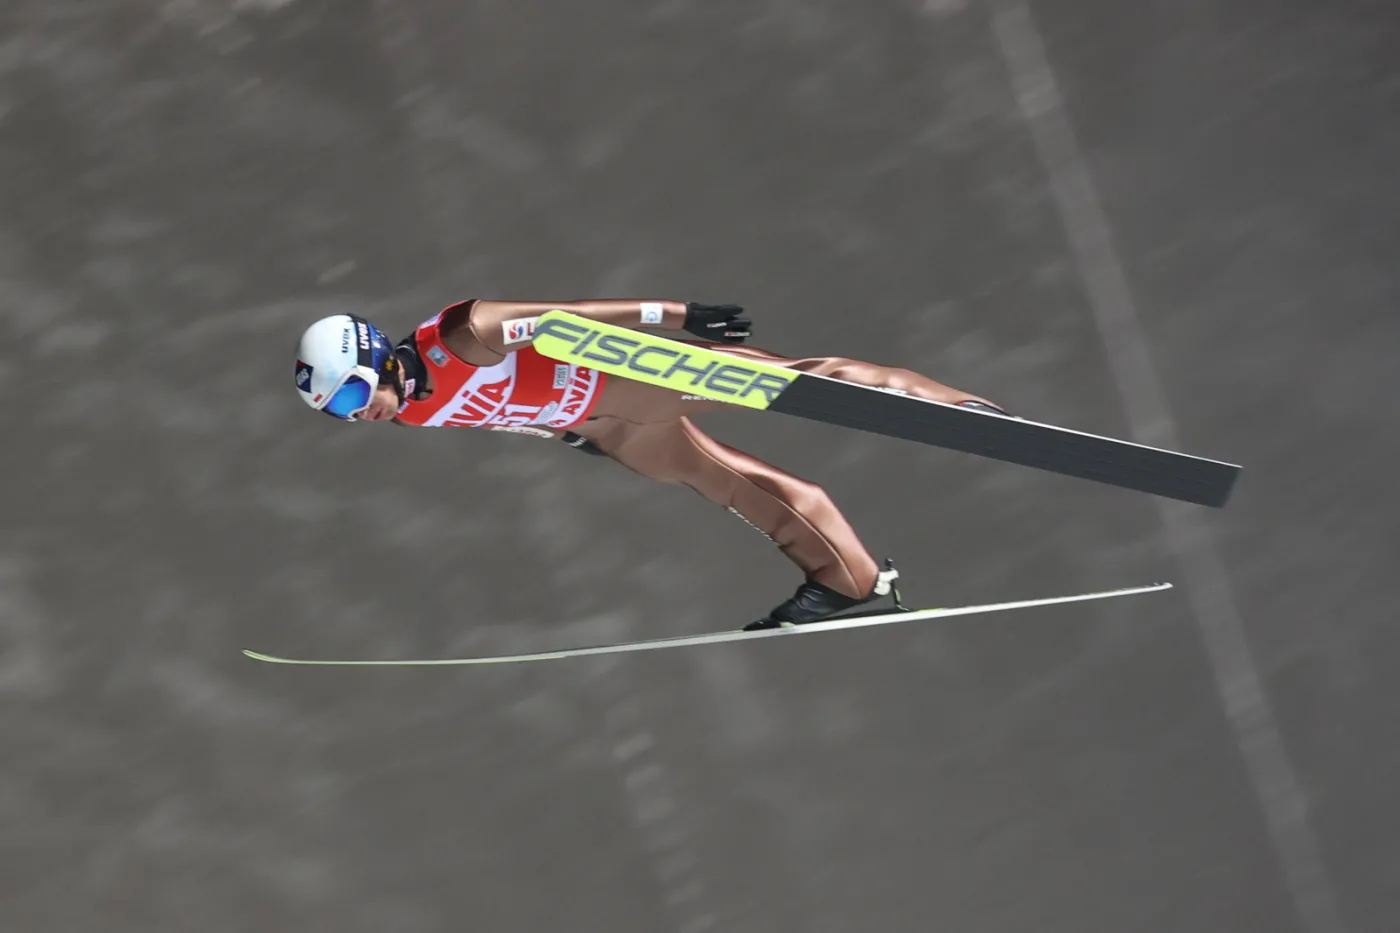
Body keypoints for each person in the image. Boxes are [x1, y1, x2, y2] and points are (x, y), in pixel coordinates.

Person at [294, 299, 1007, 629]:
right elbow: (493, 410)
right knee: (718, 477)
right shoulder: (413, 408)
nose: (361, 412)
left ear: (376, 352)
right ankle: (847, 578)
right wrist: (565, 436)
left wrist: (679, 316)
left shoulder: (462, 333)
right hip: (606, 426)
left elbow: (564, 319)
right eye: (341, 412)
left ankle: (951, 406)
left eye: (355, 391)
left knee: (795, 380)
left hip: (629, 378)